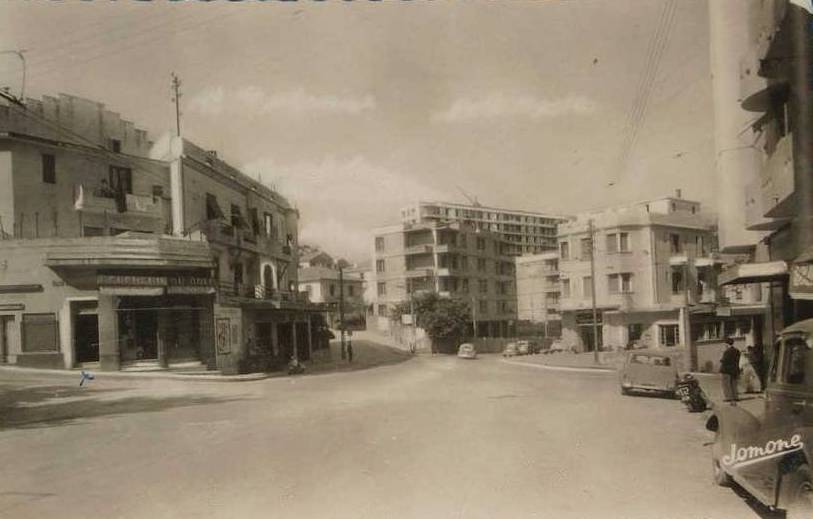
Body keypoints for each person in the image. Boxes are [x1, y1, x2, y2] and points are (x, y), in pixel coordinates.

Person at [719, 338, 741, 403]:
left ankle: (728, 397)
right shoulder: (737, 350)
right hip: (735, 369)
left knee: (726, 384)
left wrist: (721, 358)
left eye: (725, 344)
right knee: (734, 384)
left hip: (726, 370)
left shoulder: (727, 351)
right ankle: (735, 397)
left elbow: (724, 360)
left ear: (727, 344)